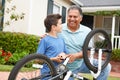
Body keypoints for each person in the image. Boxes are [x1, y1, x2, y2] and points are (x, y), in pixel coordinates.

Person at [58, 5, 111, 80]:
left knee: (106, 67)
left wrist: (75, 56)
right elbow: (51, 39)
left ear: (80, 18)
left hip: (81, 63)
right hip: (64, 66)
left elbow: (87, 51)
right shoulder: (59, 28)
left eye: (75, 17)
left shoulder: (87, 31)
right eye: (70, 16)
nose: (72, 19)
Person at [36, 14, 68, 80]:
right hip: (47, 75)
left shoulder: (61, 40)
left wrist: (64, 56)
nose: (62, 26)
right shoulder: (45, 40)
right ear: (53, 27)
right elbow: (38, 59)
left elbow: (67, 55)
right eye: (60, 24)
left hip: (59, 74)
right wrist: (53, 59)